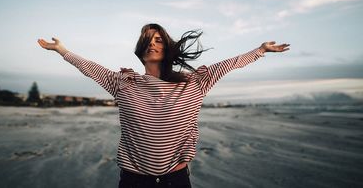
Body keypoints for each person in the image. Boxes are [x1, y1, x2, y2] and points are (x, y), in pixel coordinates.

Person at [37, 23, 290, 188]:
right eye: (147, 39)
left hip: (176, 179)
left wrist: (260, 50)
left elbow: (227, 64)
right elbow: (90, 68)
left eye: (158, 40)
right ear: (139, 49)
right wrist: (62, 50)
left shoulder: (194, 83)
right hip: (133, 180)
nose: (152, 43)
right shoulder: (123, 83)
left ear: (166, 46)